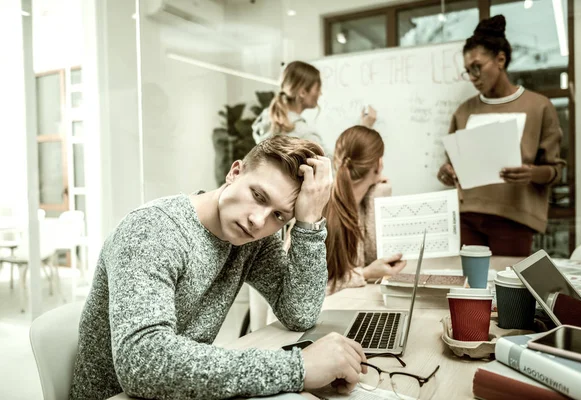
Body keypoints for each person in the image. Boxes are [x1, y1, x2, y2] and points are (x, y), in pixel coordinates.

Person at [69, 136, 368, 400]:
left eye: (279, 215)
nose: (259, 221)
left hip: (180, 391)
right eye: (258, 196)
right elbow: (142, 361)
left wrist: (309, 221)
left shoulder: (253, 239)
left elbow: (300, 313)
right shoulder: (152, 230)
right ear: (234, 172)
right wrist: (299, 368)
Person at [437, 15, 565, 257]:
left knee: (508, 290)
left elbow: (554, 171)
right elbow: (451, 167)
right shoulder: (463, 111)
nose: (473, 76)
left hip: (514, 219)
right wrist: (446, 171)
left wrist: (531, 173)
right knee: (472, 289)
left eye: (477, 66)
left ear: (500, 60)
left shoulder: (538, 106)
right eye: (468, 71)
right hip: (467, 218)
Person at [324, 125, 407, 295]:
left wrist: (378, 195)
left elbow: (375, 258)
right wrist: (365, 274)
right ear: (379, 164)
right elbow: (303, 293)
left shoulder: (363, 202)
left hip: (347, 304)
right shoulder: (320, 212)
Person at [252, 60, 377, 152]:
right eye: (317, 89)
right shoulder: (304, 135)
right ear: (302, 92)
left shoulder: (266, 120)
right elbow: (335, 168)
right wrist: (364, 129)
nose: (320, 93)